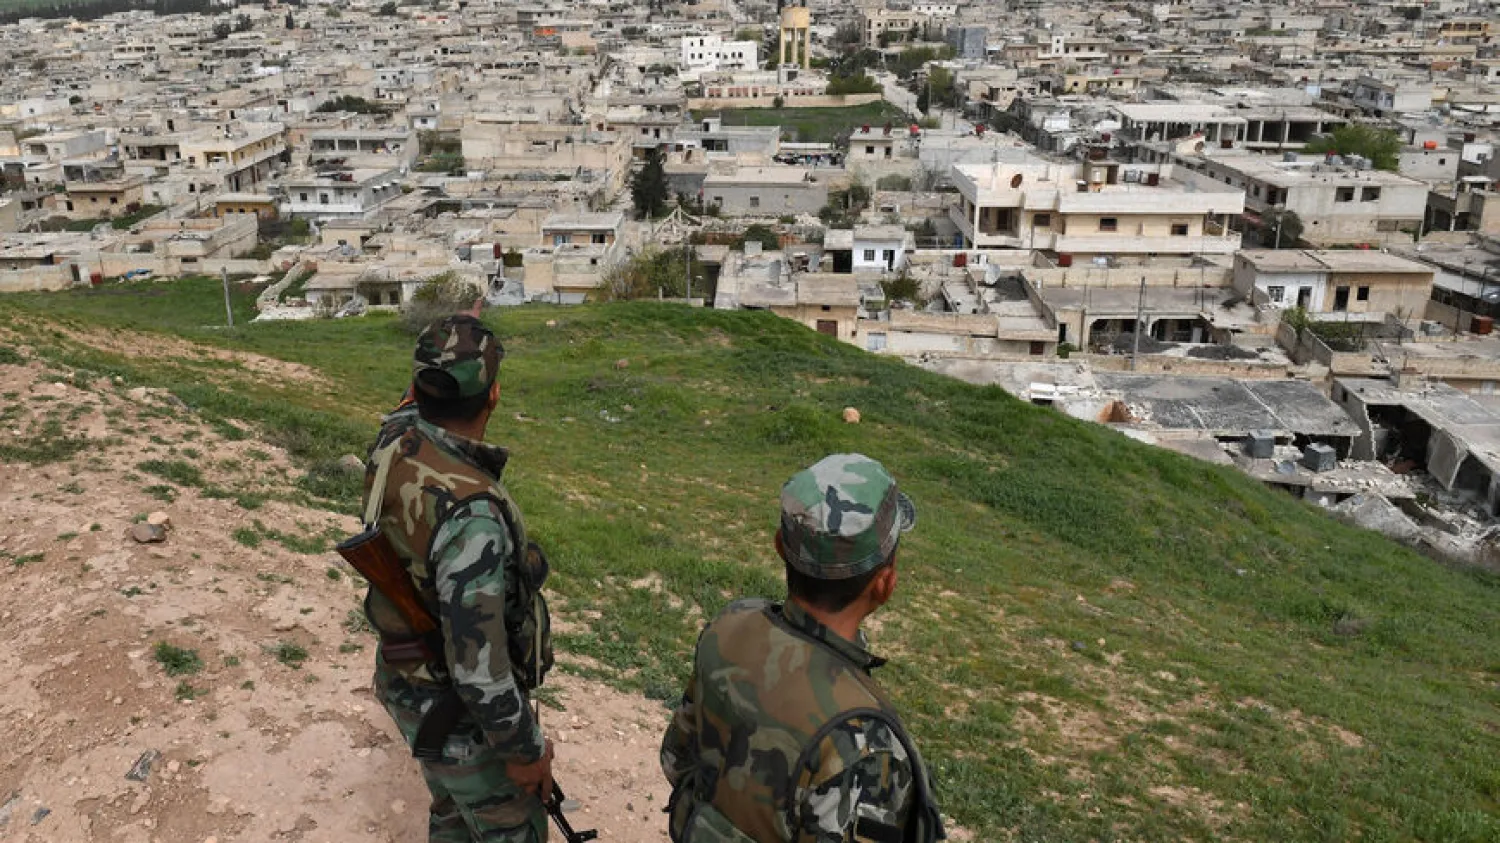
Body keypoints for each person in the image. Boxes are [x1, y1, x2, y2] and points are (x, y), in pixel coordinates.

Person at [660, 453, 946, 843]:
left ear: (780, 545)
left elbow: (676, 760)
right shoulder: (866, 743)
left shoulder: (730, 625)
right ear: (885, 584)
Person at [358, 312, 554, 842]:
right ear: (494, 396)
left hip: (406, 678)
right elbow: (480, 672)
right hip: (455, 711)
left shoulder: (395, 441)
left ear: (420, 388)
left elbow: (412, 400)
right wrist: (525, 753)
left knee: (453, 809)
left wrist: (450, 339)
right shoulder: (472, 518)